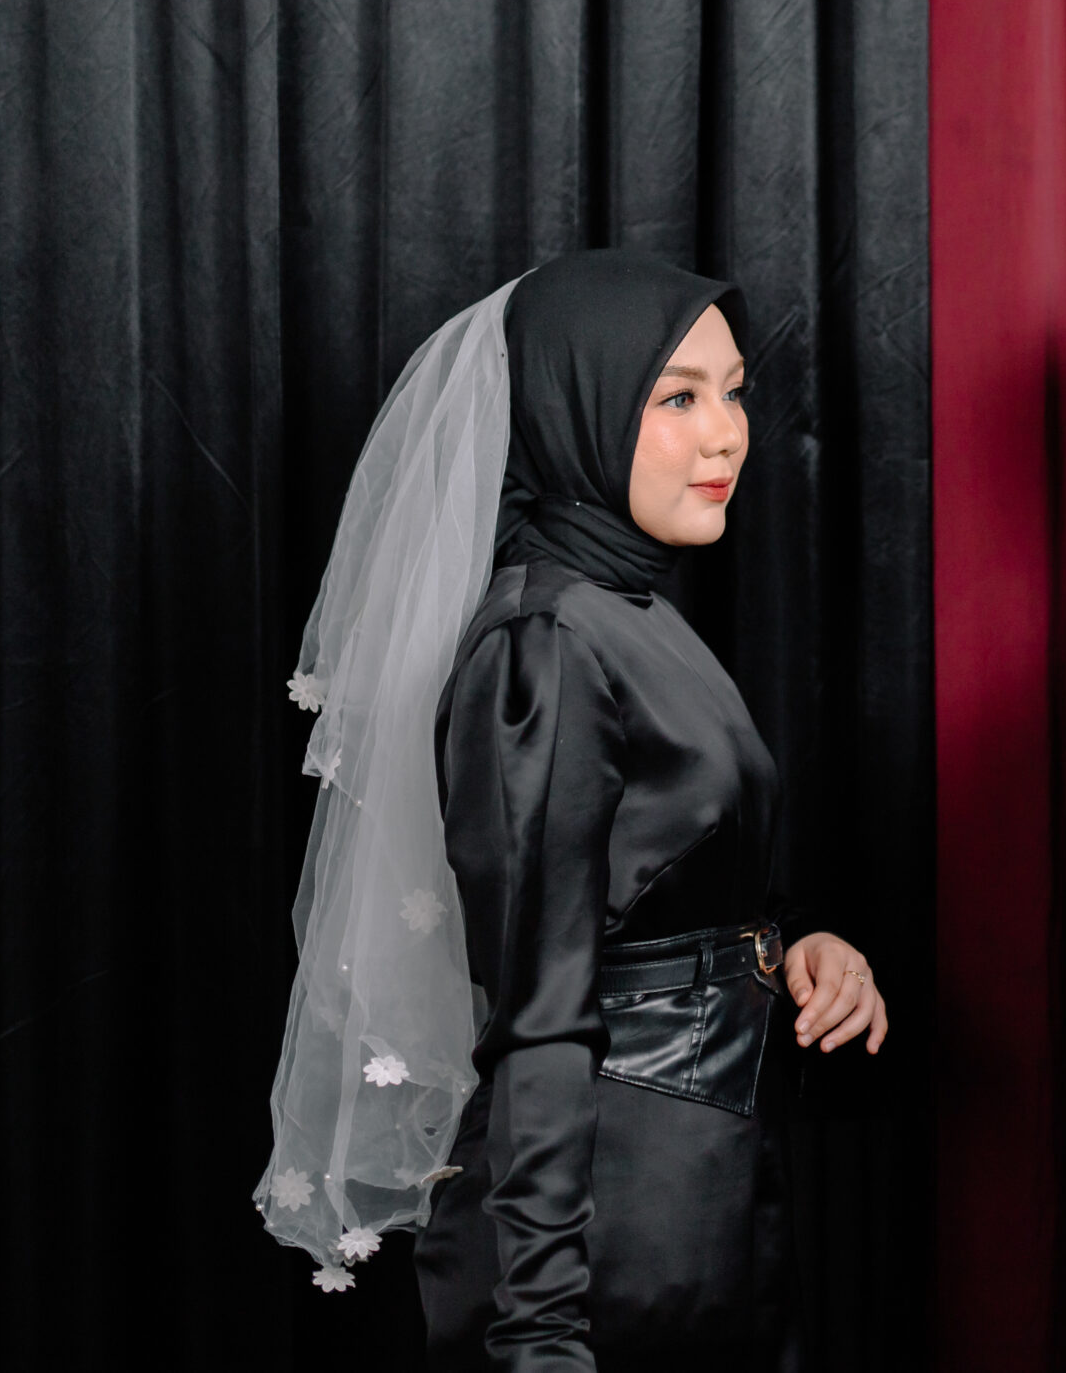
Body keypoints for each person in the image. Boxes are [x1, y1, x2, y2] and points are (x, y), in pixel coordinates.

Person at [253, 251, 885, 1372]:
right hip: (604, 1232)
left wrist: (798, 948)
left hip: (702, 1196)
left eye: (734, 393)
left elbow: (660, 888)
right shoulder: (546, 641)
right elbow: (541, 1013)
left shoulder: (628, 611)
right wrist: (541, 1331)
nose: (727, 436)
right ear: (574, 406)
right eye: (676, 398)